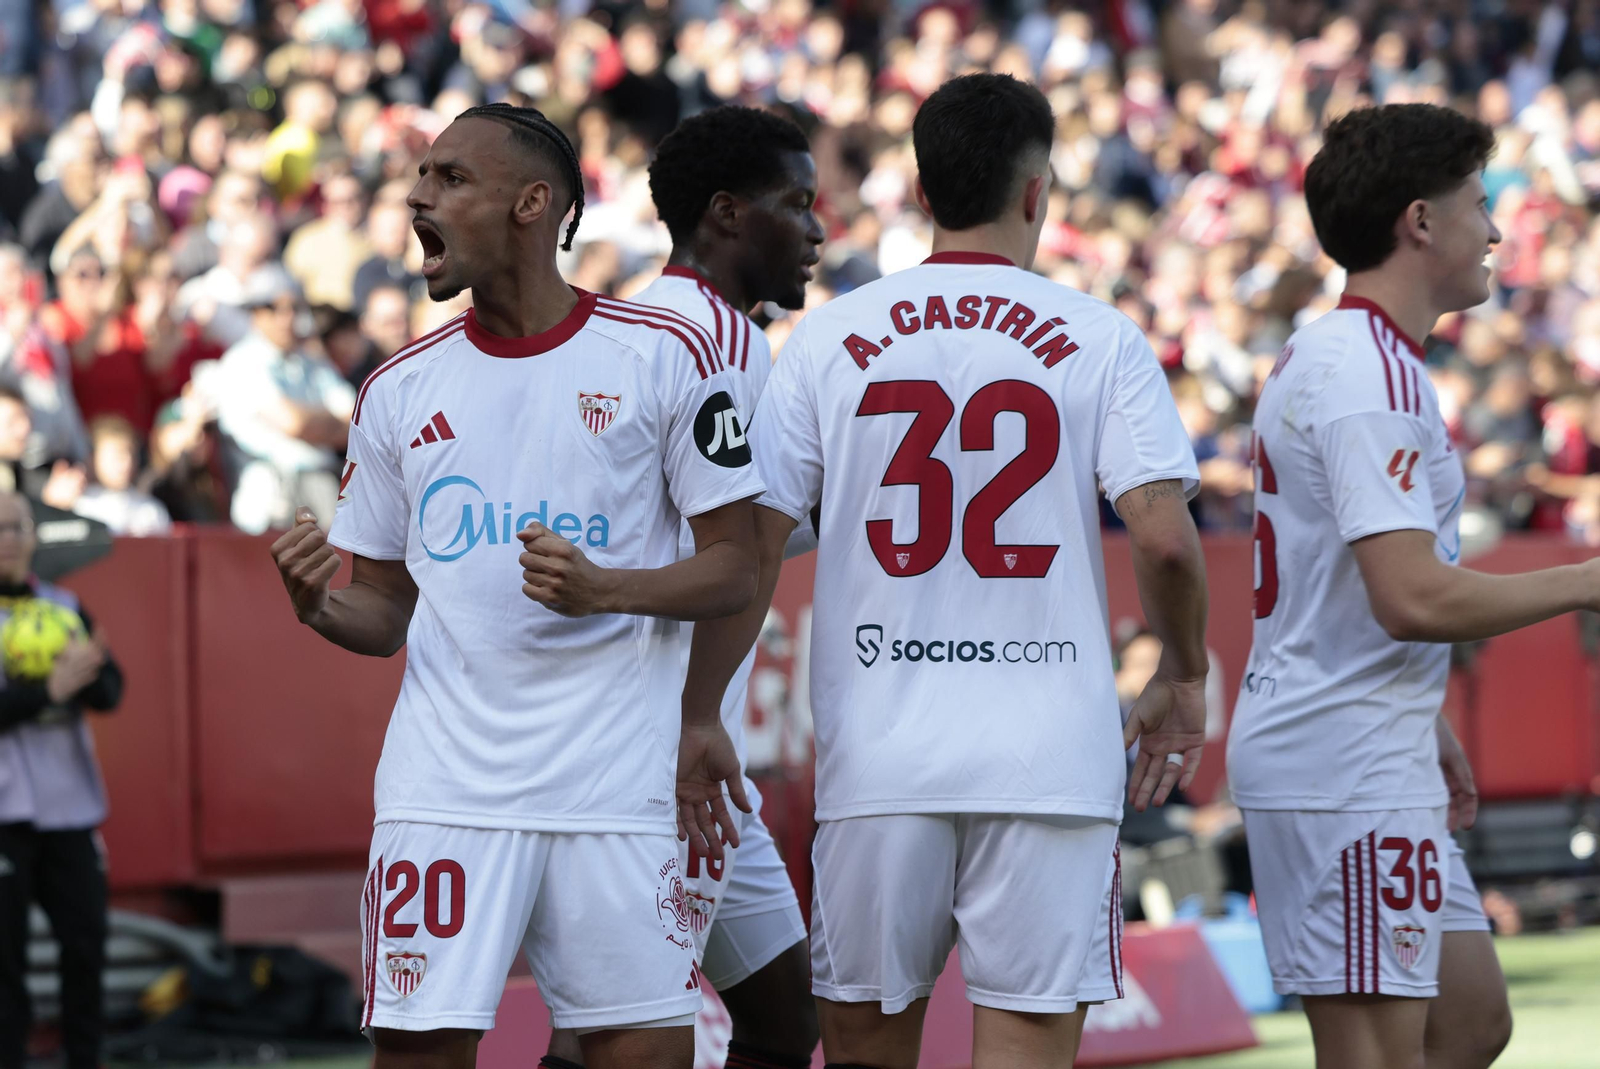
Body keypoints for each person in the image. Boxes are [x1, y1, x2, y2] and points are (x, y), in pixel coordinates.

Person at [676, 73, 1210, 1069]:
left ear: (921, 194)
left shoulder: (827, 338)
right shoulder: (1100, 337)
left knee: (867, 1053)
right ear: (1037, 194)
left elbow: (748, 547)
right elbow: (1169, 539)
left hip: (882, 764)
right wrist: (1182, 672)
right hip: (1050, 765)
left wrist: (700, 711)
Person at [268, 102, 763, 1069]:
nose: (418, 195)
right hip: (445, 793)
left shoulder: (663, 358)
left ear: (533, 204)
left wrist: (606, 587)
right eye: (421, 176)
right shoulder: (397, 392)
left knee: (641, 1055)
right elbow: (382, 613)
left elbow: (740, 564)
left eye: (451, 177)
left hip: (615, 791)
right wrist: (318, 603)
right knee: (418, 1057)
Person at [1225, 103, 1568, 1069]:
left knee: (1468, 1020)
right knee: (1376, 1053)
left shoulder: (1350, 353)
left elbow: (1338, 584)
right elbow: (1411, 594)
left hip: (1370, 742)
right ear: (1420, 221)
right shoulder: (1366, 371)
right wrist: (1584, 580)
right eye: (1478, 203)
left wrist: (1427, 717)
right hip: (1343, 763)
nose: (1495, 229)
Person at [542, 104, 824, 1069]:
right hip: (667, 756)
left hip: (681, 752)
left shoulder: (635, 324)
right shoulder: (715, 344)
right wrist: (698, 714)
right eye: (797, 204)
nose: (819, 230)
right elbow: (733, 559)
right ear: (728, 214)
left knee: (785, 1021)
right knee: (608, 1037)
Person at [0, 489, 124, 1069]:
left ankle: (86, 1059)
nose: (9, 539)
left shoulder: (63, 605)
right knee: (4, 960)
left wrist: (87, 676)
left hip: (68, 805)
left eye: (18, 527)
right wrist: (44, 692)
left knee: (86, 943)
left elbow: (112, 690)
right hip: (4, 816)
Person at [215, 266, 354, 532]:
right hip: (266, 489)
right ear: (255, 314)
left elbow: (359, 423)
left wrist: (311, 423)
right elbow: (294, 423)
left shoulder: (313, 361)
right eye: (273, 308)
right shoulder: (242, 361)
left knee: (332, 568)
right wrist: (329, 422)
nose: (286, 317)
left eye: (293, 308)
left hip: (321, 483)